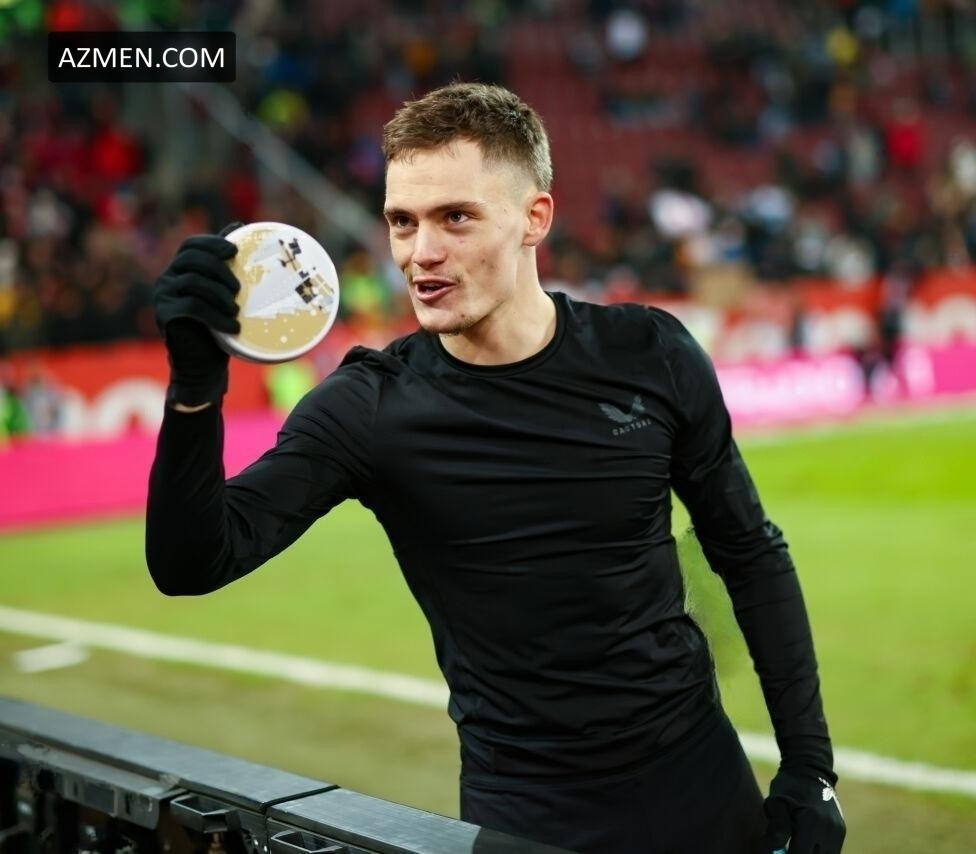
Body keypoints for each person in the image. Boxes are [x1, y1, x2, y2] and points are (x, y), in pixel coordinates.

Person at [146, 82, 846, 854]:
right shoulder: (369, 406)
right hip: (524, 818)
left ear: (533, 219)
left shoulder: (650, 354)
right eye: (402, 221)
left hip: (706, 794)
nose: (420, 252)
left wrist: (810, 766)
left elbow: (748, 551)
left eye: (455, 217)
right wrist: (195, 391)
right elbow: (191, 562)